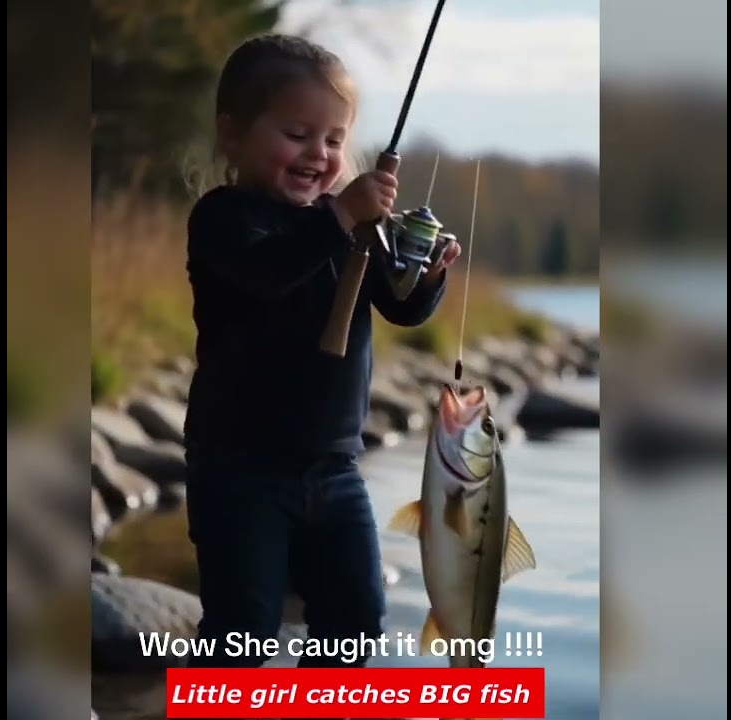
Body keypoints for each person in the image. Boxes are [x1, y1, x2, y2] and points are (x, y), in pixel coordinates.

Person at [180, 33, 462, 680]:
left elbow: (402, 307)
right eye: (298, 134)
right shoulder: (225, 219)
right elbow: (265, 274)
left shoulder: (348, 227)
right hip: (239, 473)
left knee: (355, 621)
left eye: (334, 141)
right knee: (240, 635)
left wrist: (426, 277)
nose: (320, 154)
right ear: (233, 134)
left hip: (336, 471)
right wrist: (339, 215)